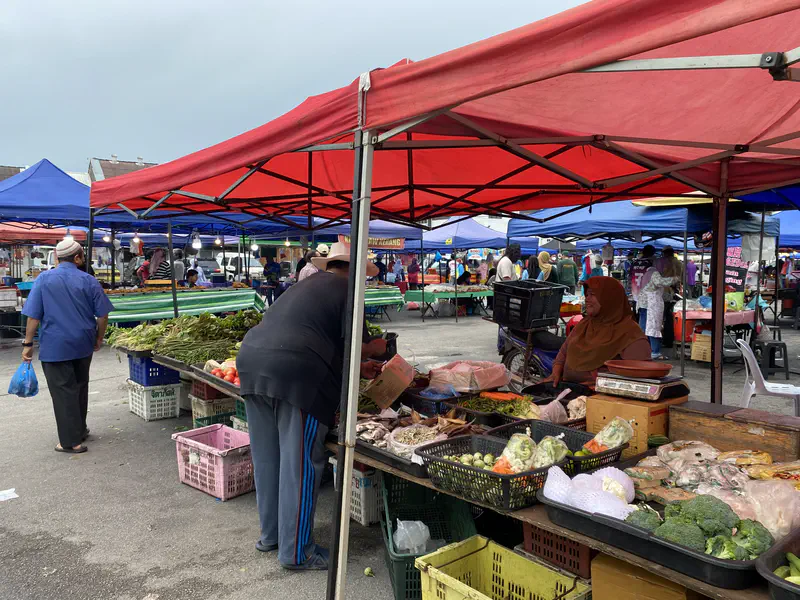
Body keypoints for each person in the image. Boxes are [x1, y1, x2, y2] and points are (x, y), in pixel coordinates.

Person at [236, 242, 386, 571]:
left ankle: (272, 536)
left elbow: (321, 340)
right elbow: (355, 346)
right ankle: (297, 552)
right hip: (296, 375)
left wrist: (358, 365)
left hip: (251, 362)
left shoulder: (305, 285)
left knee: (268, 458)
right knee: (301, 464)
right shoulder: (349, 291)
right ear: (357, 271)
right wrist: (374, 349)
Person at [21, 240, 115, 454]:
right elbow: (102, 315)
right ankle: (79, 430)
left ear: (56, 258)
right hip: (83, 343)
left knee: (63, 392)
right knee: (80, 387)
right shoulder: (89, 280)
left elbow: (33, 316)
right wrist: (99, 338)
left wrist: (27, 344)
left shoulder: (44, 280)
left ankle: (71, 442)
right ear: (78, 258)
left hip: (56, 346)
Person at [544, 276, 650, 386]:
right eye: (587, 294)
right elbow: (563, 352)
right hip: (570, 392)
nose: (587, 298)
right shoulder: (584, 324)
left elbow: (638, 378)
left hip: (603, 399)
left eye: (593, 295)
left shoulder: (630, 333)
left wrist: (598, 387)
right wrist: (556, 372)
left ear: (609, 298)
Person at [640, 257, 679, 360]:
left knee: (645, 328)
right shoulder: (654, 273)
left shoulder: (646, 273)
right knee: (653, 327)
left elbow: (656, 289)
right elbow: (660, 283)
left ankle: (645, 349)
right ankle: (655, 351)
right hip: (651, 304)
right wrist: (675, 279)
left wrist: (670, 297)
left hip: (644, 303)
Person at [630, 244, 656, 310]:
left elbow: (630, 276)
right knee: (645, 314)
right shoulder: (651, 263)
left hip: (635, 292)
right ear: (652, 253)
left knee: (639, 314)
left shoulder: (634, 263)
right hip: (646, 294)